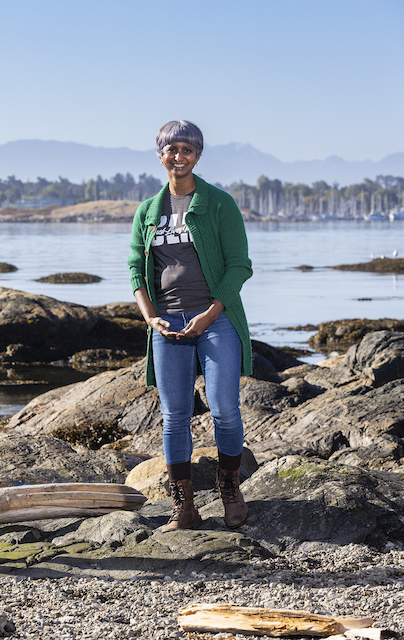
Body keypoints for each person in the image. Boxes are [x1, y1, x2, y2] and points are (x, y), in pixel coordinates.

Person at [127, 120, 253, 531]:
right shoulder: (148, 211)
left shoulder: (218, 204)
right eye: (170, 149)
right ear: (159, 154)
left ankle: (229, 487)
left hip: (215, 320)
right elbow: (135, 269)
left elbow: (239, 267)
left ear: (197, 155)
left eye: (186, 150)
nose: (178, 157)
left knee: (225, 411)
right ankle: (183, 505)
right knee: (174, 416)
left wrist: (210, 313)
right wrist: (150, 318)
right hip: (166, 325)